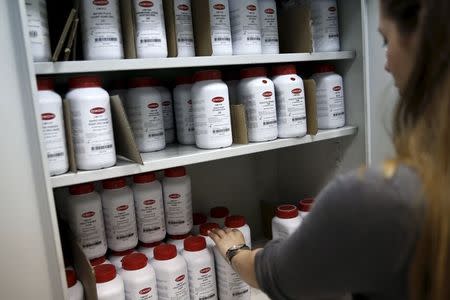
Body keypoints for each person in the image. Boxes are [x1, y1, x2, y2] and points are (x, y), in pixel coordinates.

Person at [209, 0, 450, 299]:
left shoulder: (377, 197)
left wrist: (236, 251)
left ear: (420, 39)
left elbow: (278, 274)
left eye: (386, 40)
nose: (385, 63)